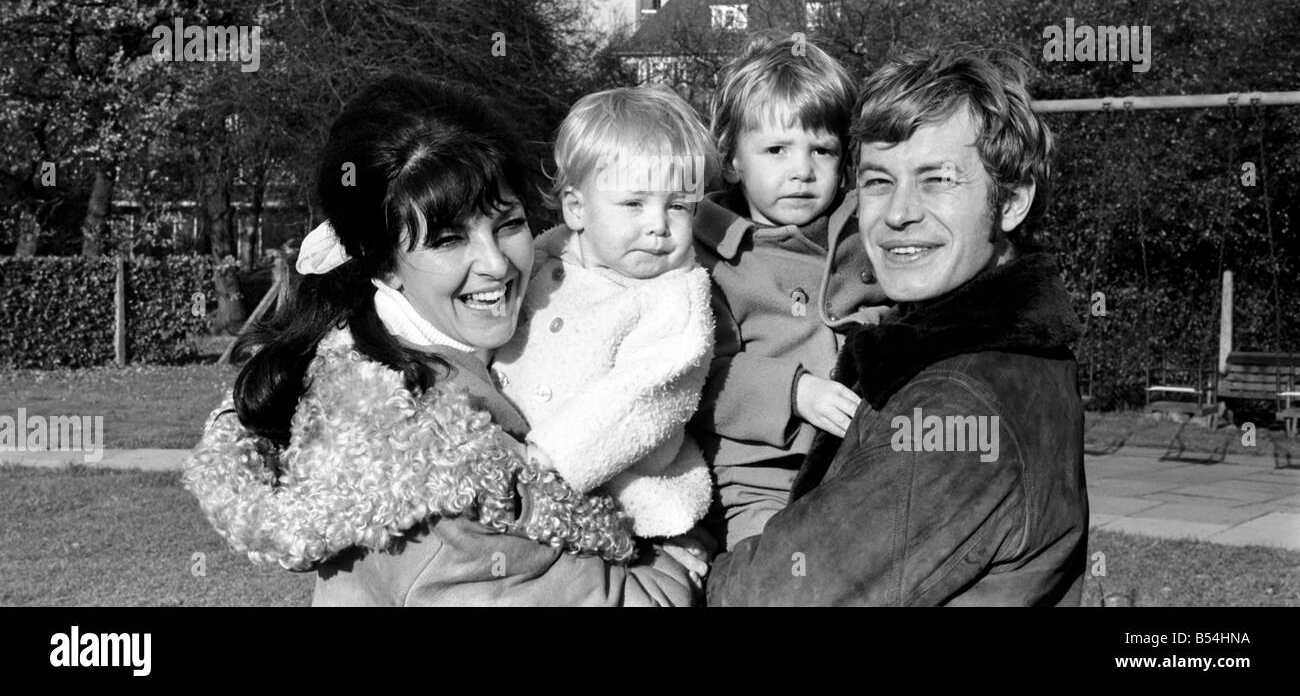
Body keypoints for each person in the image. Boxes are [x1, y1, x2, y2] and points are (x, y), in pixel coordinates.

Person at [183, 76, 695, 606]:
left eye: (509, 224)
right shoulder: (429, 472)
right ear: (385, 262)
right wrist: (673, 556)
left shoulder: (404, 363)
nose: (496, 264)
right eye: (449, 240)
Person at [706, 46, 1088, 606]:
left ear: (1010, 202)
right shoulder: (970, 346)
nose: (898, 213)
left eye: (936, 180)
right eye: (880, 182)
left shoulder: (957, 406)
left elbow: (769, 597)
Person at [690, 31, 890, 553]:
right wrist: (795, 393)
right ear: (733, 157)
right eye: (777, 149)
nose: (802, 171)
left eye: (821, 150)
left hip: (861, 461)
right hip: (759, 476)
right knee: (776, 574)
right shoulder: (709, 255)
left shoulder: (864, 232)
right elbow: (696, 374)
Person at [494, 86, 716, 545]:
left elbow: (639, 398)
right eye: (634, 203)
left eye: (677, 205)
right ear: (577, 208)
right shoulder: (541, 256)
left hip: (616, 497)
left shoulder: (675, 300)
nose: (658, 224)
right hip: (510, 459)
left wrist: (548, 457)